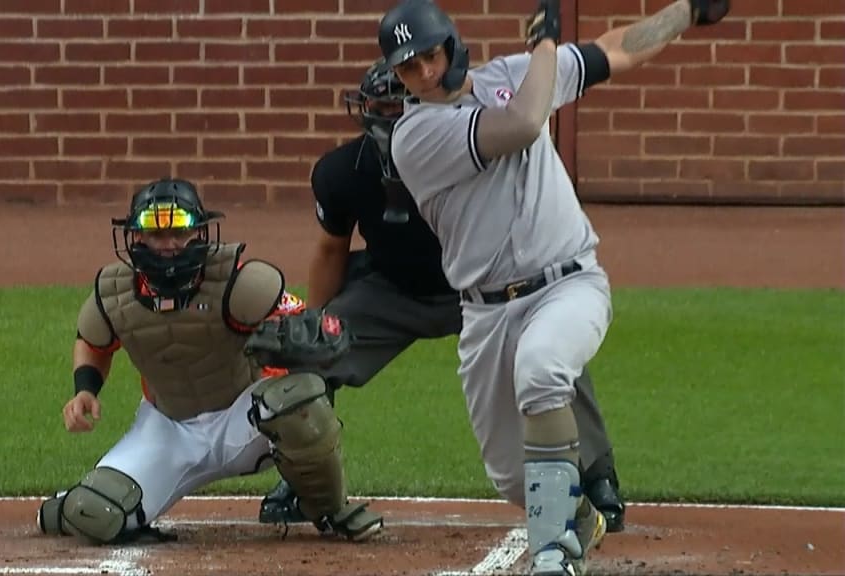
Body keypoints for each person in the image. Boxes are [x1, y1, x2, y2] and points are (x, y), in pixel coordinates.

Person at [379, 0, 729, 573]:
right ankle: (578, 517)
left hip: (569, 285)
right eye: (406, 67)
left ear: (453, 45)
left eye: (428, 57)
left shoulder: (514, 75)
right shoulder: (415, 135)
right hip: (487, 316)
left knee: (542, 368)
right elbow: (521, 124)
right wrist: (544, 46)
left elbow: (617, 48)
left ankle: (553, 553)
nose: (420, 74)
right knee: (512, 476)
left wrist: (687, 12)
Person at [258, 57, 625, 534]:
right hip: (392, 289)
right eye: (379, 106)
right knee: (311, 358)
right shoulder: (342, 172)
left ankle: (597, 476)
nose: (388, 116)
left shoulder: (450, 145)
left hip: (478, 290)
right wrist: (316, 321)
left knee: (549, 348)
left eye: (398, 105)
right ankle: (307, 481)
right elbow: (331, 250)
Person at [35, 178, 383, 545]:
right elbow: (91, 341)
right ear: (137, 238)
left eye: (179, 231)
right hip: (168, 429)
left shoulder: (237, 281)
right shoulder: (115, 294)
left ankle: (328, 508)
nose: (169, 244)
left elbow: (308, 325)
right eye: (156, 233)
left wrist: (307, 336)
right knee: (95, 514)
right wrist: (85, 390)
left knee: (299, 399)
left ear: (199, 232)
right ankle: (69, 504)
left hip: (245, 420)